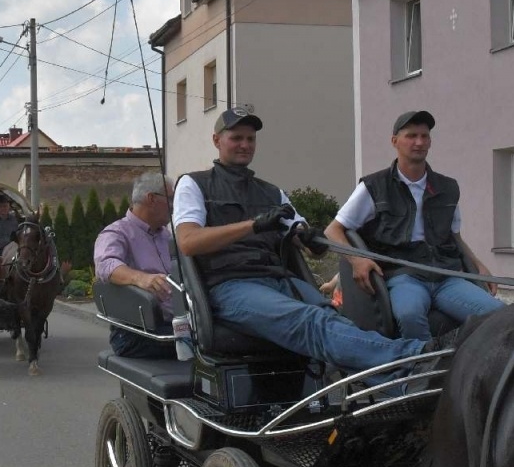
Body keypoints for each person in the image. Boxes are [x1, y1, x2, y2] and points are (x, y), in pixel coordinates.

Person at [175, 107, 428, 371]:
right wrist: (254, 226)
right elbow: (188, 241)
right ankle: (416, 357)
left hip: (280, 280)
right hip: (231, 286)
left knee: (334, 320)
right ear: (217, 141)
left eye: (250, 139)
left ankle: (397, 390)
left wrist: (310, 238)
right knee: (311, 321)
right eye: (236, 138)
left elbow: (311, 250)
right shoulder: (194, 185)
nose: (245, 145)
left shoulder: (272, 193)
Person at [325, 110, 503, 341]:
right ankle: (421, 374)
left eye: (424, 136)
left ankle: (475, 371)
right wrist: (356, 260)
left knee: (498, 315)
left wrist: (479, 267)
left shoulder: (447, 188)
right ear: (395, 141)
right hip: (403, 276)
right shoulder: (374, 186)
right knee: (409, 315)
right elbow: (333, 230)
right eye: (411, 136)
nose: (419, 142)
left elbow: (455, 237)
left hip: (445, 276)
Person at [95, 171, 176, 359]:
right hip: (136, 332)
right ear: (151, 199)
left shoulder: (167, 236)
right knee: (202, 348)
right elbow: (105, 264)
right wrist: (140, 278)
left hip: (173, 325)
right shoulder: (116, 233)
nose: (174, 206)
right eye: (171, 199)